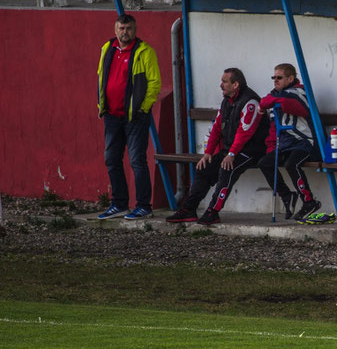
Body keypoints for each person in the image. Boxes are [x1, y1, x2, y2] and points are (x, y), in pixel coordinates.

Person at [166, 68, 269, 225]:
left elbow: (245, 133)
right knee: (203, 168)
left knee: (227, 169)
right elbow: (217, 128)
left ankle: (212, 212)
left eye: (224, 82)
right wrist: (208, 153)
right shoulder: (226, 101)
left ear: (235, 84)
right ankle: (188, 209)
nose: (221, 85)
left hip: (251, 151)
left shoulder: (251, 102)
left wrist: (232, 154)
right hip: (231, 150)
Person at [97, 14, 161, 220]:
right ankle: (119, 204)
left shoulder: (144, 52)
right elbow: (101, 76)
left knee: (137, 161)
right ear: (115, 30)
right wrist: (102, 105)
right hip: (112, 116)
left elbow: (154, 83)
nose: (125, 32)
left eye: (129, 28)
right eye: (122, 28)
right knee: (111, 159)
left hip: (135, 117)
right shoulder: (107, 48)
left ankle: (143, 206)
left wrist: (142, 108)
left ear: (135, 30)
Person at [257, 63, 321, 221]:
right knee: (264, 162)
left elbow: (288, 104)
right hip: (286, 144)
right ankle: (287, 196)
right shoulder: (277, 95)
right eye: (274, 77)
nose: (275, 81)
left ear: (291, 78)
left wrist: (267, 102)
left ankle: (309, 201)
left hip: (305, 141)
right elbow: (269, 114)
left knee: (292, 164)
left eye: (279, 77)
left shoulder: (298, 92)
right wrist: (271, 148)